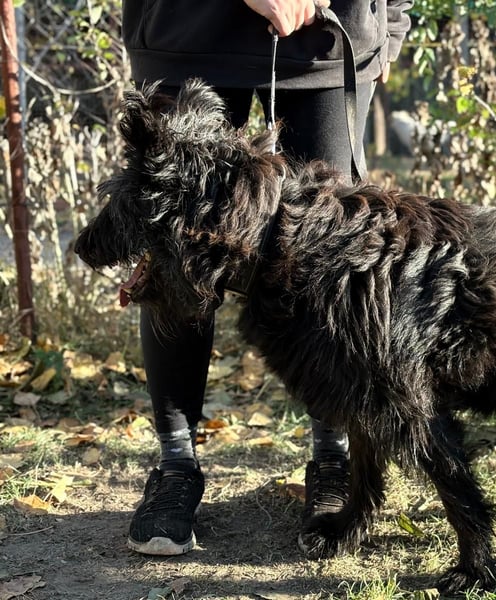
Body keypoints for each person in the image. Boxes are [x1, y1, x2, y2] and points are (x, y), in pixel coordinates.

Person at [119, 0, 414, 556]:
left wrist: (389, 23)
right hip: (185, 33)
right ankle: (176, 465)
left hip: (329, 40)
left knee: (330, 261)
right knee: (177, 257)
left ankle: (333, 455)